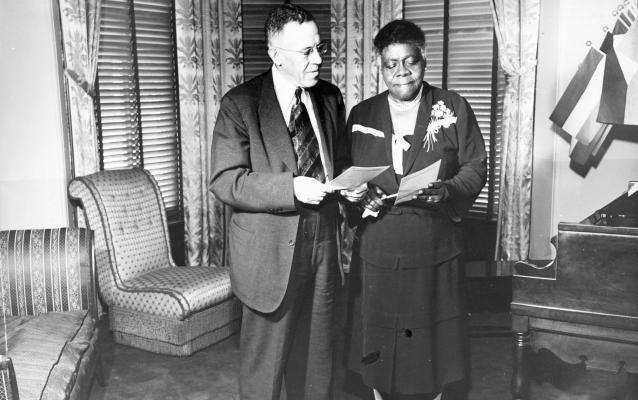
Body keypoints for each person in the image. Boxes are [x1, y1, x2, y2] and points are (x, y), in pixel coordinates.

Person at [210, 3, 366, 400]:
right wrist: (291, 188)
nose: (318, 59)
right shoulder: (239, 104)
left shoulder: (329, 97)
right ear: (276, 55)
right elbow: (226, 181)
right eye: (306, 52)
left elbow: (339, 161)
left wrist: (351, 188)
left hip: (324, 243)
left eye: (320, 48)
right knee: (265, 373)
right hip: (268, 253)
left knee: (317, 364)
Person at [346, 20, 487, 400]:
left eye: (410, 61)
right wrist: (359, 197)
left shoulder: (452, 106)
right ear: (380, 66)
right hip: (380, 244)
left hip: (436, 244)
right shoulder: (362, 114)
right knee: (381, 339)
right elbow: (346, 176)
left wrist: (449, 190)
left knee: (434, 342)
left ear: (424, 60)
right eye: (391, 64)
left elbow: (476, 166)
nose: (401, 72)